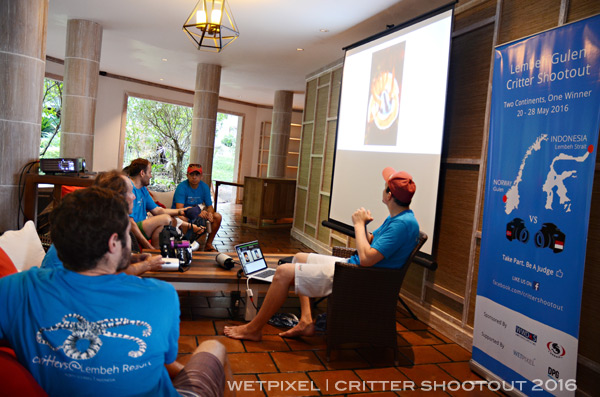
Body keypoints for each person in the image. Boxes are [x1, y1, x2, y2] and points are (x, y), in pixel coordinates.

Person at [0, 187, 231, 396]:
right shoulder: (160, 296)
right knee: (215, 348)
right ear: (113, 243)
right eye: (126, 234)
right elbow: (167, 359)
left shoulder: (17, 288)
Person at [224, 167, 420, 341]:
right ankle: (306, 321)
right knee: (299, 257)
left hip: (358, 276)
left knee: (283, 272)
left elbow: (368, 259)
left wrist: (359, 225)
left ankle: (253, 328)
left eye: (385, 186)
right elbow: (370, 243)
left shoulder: (401, 225)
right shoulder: (400, 218)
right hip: (356, 268)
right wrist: (364, 227)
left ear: (389, 195)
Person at [41, 170, 164, 276]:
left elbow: (104, 262)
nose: (134, 197)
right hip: (62, 288)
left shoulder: (103, 219)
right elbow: (112, 273)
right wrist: (147, 265)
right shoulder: (98, 226)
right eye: (130, 192)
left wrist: (133, 258)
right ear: (118, 197)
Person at [127, 158, 203, 250]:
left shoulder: (143, 189)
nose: (151, 176)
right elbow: (130, 223)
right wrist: (147, 245)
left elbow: (158, 210)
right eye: (150, 172)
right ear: (142, 173)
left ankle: (157, 253)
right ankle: (153, 250)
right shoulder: (128, 188)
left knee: (171, 220)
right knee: (166, 219)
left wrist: (182, 211)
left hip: (141, 226)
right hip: (130, 229)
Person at [172, 164, 222, 252]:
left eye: (197, 174)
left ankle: (208, 244)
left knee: (217, 216)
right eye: (192, 174)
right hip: (182, 215)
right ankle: (185, 243)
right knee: (183, 218)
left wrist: (210, 213)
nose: (194, 177)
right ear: (187, 175)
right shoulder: (181, 187)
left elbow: (209, 206)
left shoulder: (204, 187)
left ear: (201, 176)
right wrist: (197, 212)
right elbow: (179, 209)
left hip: (196, 215)